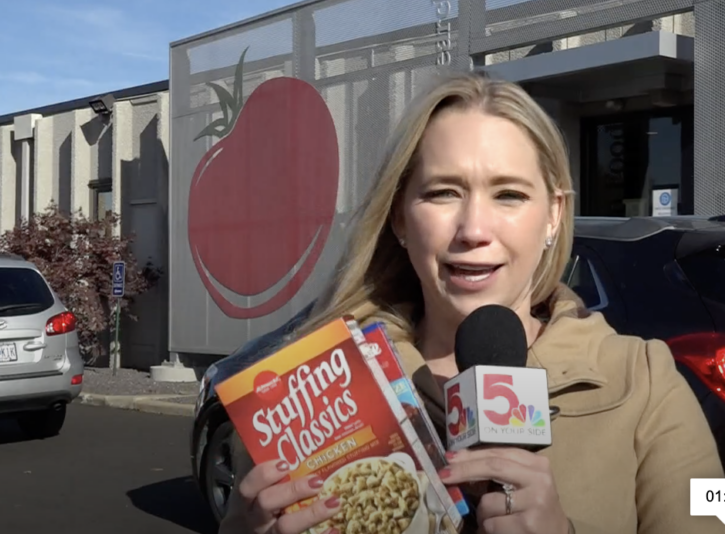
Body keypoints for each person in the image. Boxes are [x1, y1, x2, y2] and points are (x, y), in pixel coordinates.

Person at [218, 71, 724, 534]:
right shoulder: (308, 398)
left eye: (508, 195)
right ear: (399, 218)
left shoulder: (650, 382)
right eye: (443, 192)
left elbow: (709, 514)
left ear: (553, 214)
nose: (474, 230)